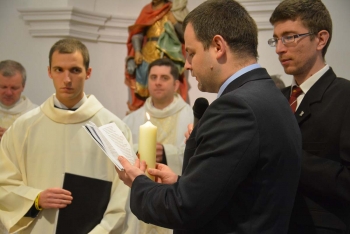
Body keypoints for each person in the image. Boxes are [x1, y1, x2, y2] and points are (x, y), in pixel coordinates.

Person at [116, 0, 302, 233]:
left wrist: (137, 182)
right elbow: (237, 188)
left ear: (217, 46)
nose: (187, 65)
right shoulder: (270, 94)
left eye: (191, 53)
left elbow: (184, 208)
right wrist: (181, 183)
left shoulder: (236, 107)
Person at [0, 38, 131, 234]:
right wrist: (35, 199)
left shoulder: (112, 129)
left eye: (75, 70)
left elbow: (125, 194)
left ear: (88, 73)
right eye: (59, 70)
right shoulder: (23, 127)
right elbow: (5, 183)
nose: (67, 79)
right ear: (49, 72)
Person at [269, 0, 350, 233]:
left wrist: (290, 157)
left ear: (321, 39)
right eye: (276, 39)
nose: (279, 49)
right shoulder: (276, 99)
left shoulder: (345, 97)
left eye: (290, 37)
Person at [122, 58, 193, 234]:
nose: (158, 82)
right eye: (153, 77)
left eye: (164, 78)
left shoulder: (191, 117)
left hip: (175, 202)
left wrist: (167, 153)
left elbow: (197, 158)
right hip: (139, 205)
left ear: (176, 84)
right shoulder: (131, 120)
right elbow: (121, 154)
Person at [125, 0, 189, 112]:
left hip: (168, 53)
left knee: (167, 82)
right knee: (143, 87)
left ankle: (169, 110)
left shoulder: (173, 10)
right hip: (147, 53)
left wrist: (174, 22)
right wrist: (138, 51)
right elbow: (137, 33)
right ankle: (144, 111)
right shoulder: (147, 10)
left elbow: (186, 36)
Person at [0, 60, 37, 141]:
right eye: (3, 87)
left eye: (14, 88)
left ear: (23, 86)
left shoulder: (36, 115)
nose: (8, 93)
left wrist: (15, 139)